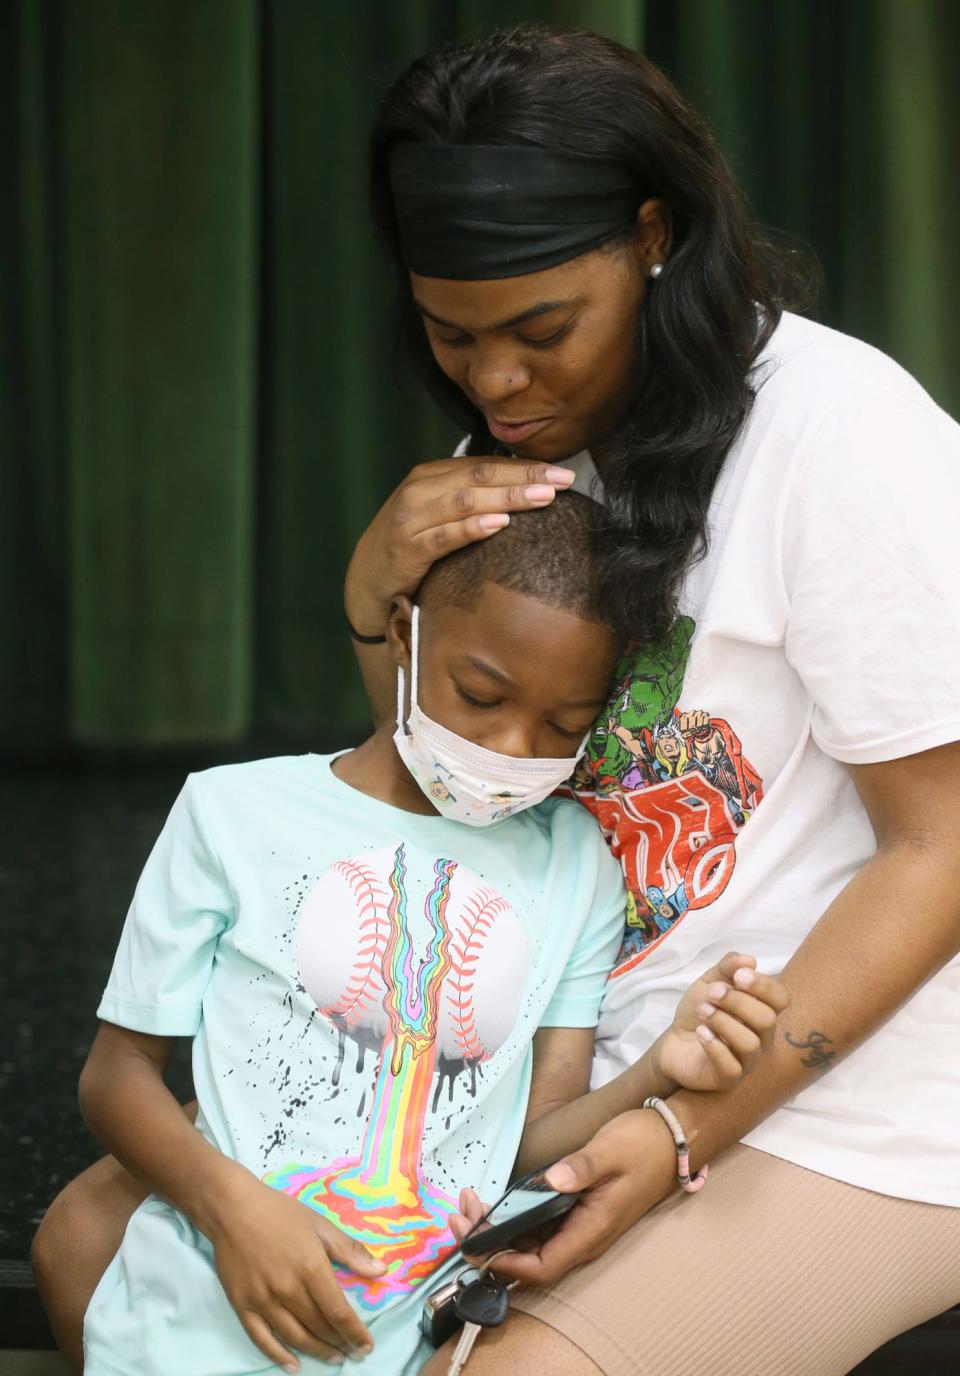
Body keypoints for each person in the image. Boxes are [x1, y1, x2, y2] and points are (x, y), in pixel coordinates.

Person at [32, 22, 960, 1376]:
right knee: (90, 1245)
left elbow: (943, 850)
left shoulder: (844, 440)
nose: (497, 383)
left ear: (656, 236)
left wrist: (684, 1129)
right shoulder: (527, 449)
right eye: (451, 335)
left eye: (540, 330)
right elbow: (466, 786)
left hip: (852, 1107)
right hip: (552, 1077)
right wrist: (375, 595)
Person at [62, 492, 787, 1376]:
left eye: (564, 726)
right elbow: (116, 1076)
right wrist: (233, 1211)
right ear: (404, 636)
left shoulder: (577, 867)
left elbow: (530, 1138)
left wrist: (658, 1071)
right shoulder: (228, 812)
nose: (514, 748)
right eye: (480, 696)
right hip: (184, 1340)